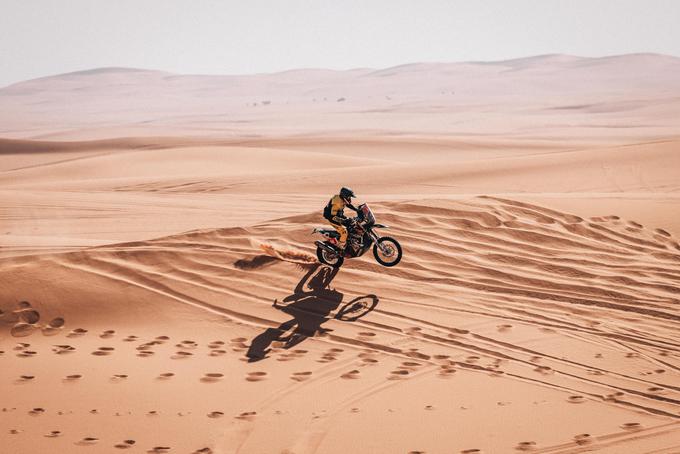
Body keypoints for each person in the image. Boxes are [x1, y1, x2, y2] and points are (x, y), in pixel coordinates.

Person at [323, 187, 358, 253]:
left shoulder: (342, 199)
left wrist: (357, 209)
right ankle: (341, 247)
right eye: (349, 197)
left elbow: (348, 205)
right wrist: (344, 220)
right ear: (344, 195)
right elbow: (333, 216)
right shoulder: (337, 203)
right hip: (332, 219)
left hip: (339, 216)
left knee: (352, 225)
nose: (349, 199)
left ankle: (349, 242)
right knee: (344, 232)